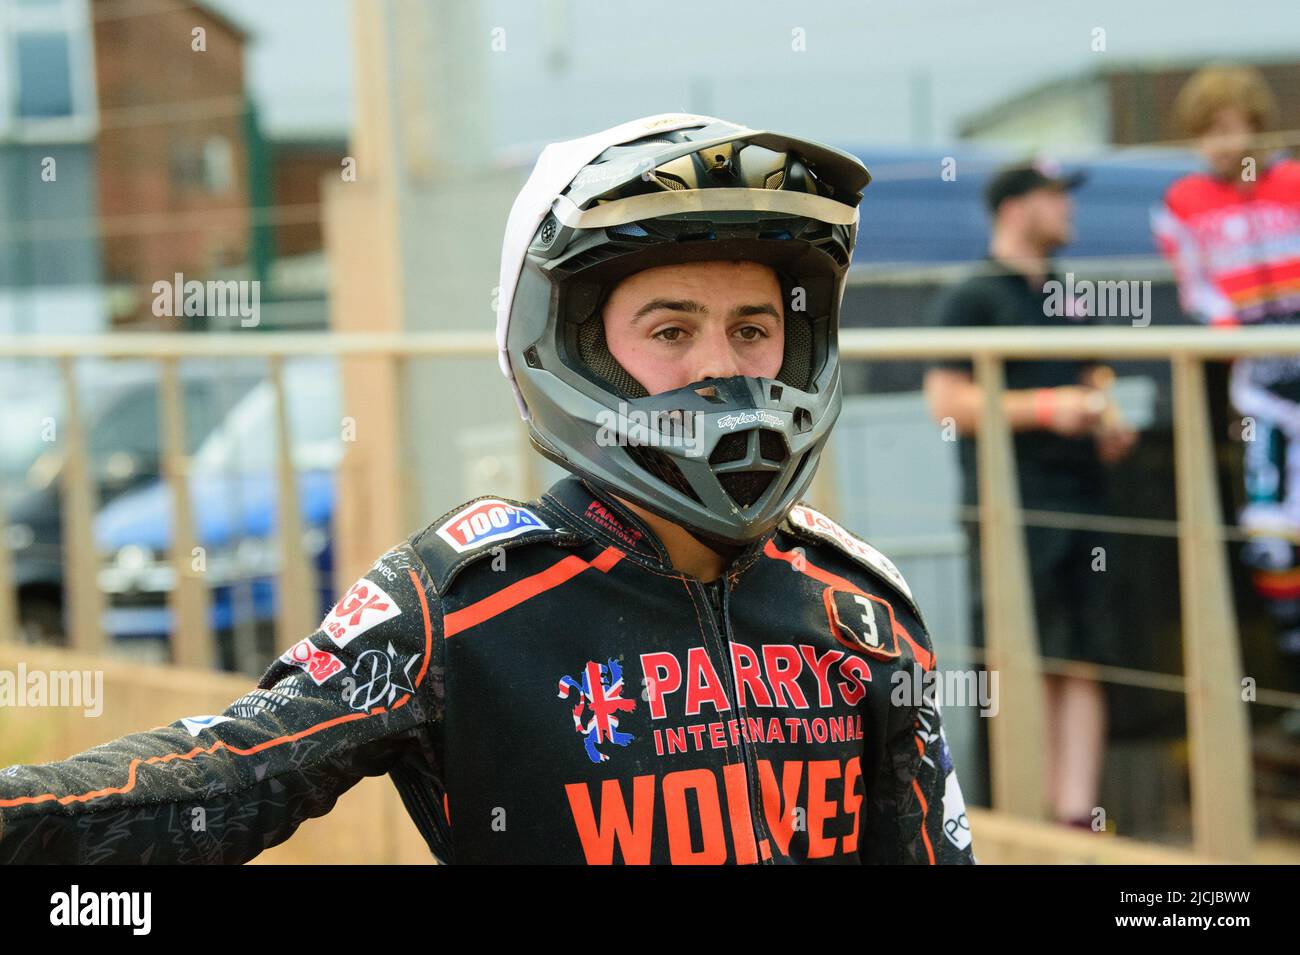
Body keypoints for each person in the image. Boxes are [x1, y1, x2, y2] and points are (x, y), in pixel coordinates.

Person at [0, 114, 976, 865]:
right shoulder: (463, 597)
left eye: (754, 329)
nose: (722, 369)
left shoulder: (859, 606)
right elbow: (216, 779)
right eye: (672, 330)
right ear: (568, 343)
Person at [922, 160, 1138, 829]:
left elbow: (1092, 372)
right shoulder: (973, 295)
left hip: (1085, 498)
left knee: (1082, 657)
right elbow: (946, 401)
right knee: (1025, 655)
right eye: (1052, 196)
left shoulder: (1069, 293)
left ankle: (1076, 819)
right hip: (1015, 508)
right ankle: (1033, 822)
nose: (1067, 209)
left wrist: (1103, 415)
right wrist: (1049, 406)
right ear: (1014, 208)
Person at [1152, 65, 1300, 687]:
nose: (1220, 142)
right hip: (1257, 385)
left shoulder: (1293, 179)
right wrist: (1227, 326)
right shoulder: (1180, 202)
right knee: (1268, 537)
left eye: (1230, 126)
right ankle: (1294, 669)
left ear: (1257, 127)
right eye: (1205, 131)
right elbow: (1199, 292)